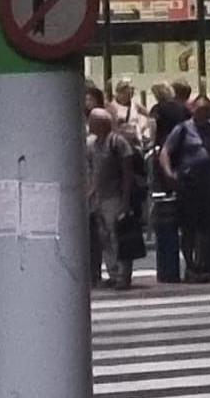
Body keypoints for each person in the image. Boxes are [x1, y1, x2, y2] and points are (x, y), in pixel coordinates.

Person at [158, 96, 210, 282]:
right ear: (193, 109)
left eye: (205, 110)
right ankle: (189, 266)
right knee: (188, 227)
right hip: (188, 184)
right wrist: (169, 172)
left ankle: (204, 264)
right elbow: (165, 151)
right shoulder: (183, 129)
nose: (201, 114)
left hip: (208, 183)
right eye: (199, 110)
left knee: (207, 226)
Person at [85, 109, 134, 290]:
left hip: (115, 196)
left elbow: (127, 173)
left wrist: (126, 200)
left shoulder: (117, 142)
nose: (89, 125)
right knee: (104, 237)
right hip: (99, 197)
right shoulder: (91, 145)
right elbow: (91, 172)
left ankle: (123, 275)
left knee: (118, 236)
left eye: (92, 122)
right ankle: (113, 273)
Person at [108, 78, 151, 148]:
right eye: (125, 93)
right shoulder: (112, 107)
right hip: (120, 141)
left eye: (130, 94)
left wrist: (143, 128)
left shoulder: (135, 105)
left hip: (135, 139)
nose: (127, 97)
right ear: (119, 93)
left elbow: (150, 116)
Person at [149, 82, 190, 151]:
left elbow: (153, 126)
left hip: (164, 143)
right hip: (182, 141)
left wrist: (153, 141)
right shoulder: (182, 108)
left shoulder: (157, 109)